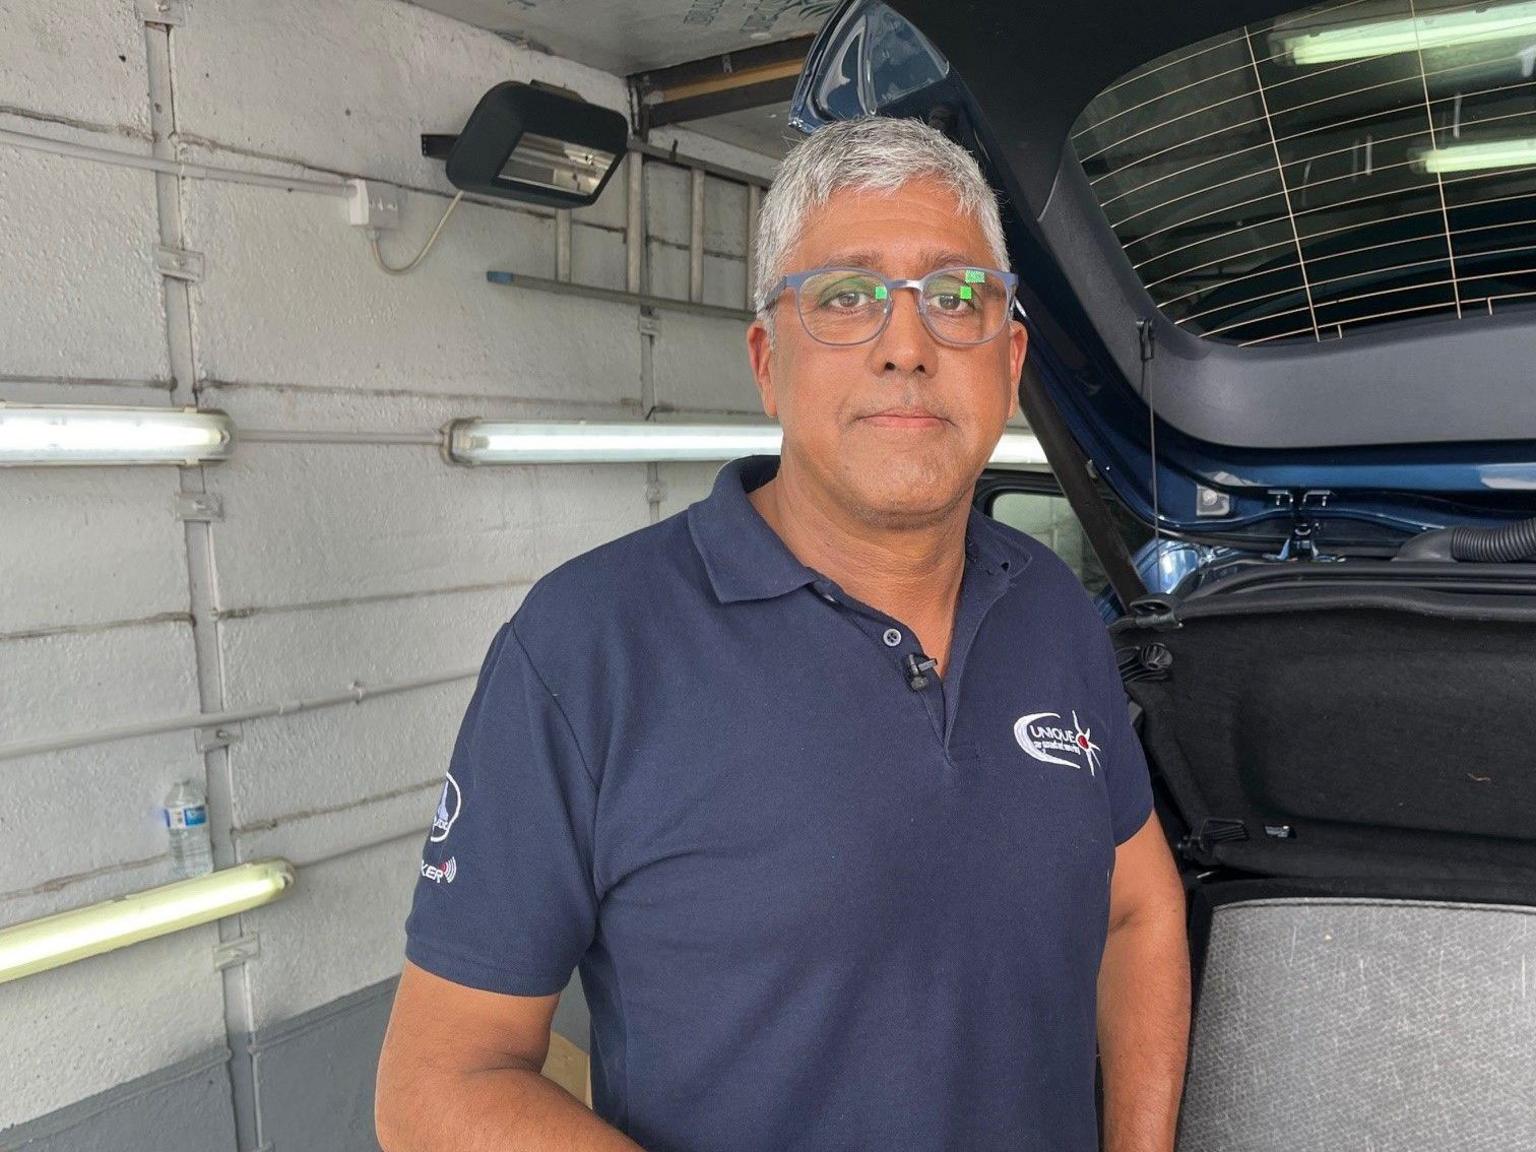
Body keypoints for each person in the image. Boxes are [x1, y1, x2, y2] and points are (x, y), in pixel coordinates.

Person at [375, 115, 1190, 1152]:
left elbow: (1138, 915)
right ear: (768, 360)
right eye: (845, 298)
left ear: (1008, 355)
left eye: (955, 298)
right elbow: (439, 1083)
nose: (906, 345)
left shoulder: (1054, 608)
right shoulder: (587, 651)